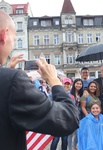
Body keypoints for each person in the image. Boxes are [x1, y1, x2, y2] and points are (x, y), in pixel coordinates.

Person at [0, 10, 79, 150]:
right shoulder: (12, 80)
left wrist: (7, 71)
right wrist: (54, 81)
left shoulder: (9, 78)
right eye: (14, 37)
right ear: (4, 35)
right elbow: (68, 119)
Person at [50, 78, 74, 150]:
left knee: (65, 139)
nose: (66, 86)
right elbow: (49, 103)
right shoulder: (54, 93)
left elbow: (73, 107)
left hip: (67, 120)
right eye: (65, 84)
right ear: (62, 85)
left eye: (68, 84)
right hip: (56, 119)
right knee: (55, 139)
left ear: (70, 86)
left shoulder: (72, 96)